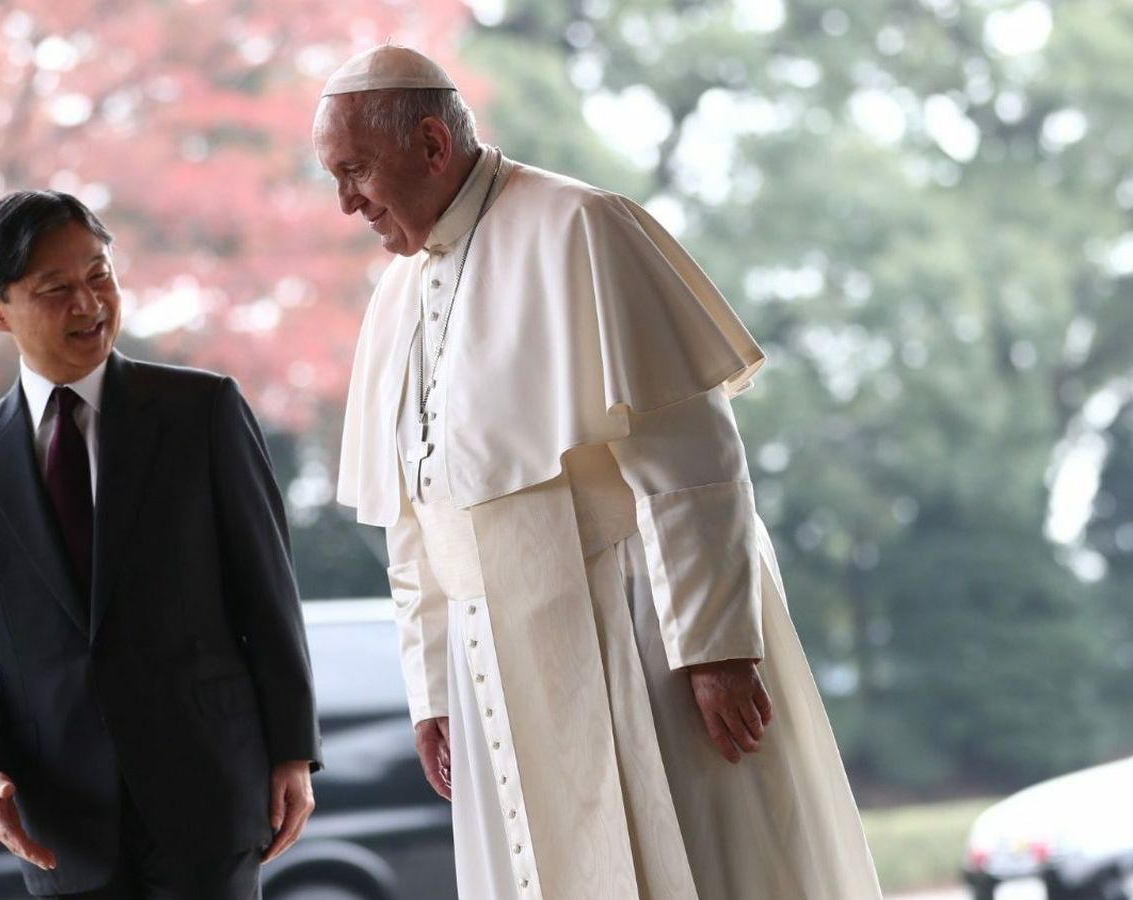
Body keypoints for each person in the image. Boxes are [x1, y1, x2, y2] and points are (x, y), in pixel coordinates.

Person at [313, 45, 883, 899]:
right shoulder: (397, 292)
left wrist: (717, 647)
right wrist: (431, 688)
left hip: (631, 629)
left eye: (355, 171)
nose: (346, 202)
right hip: (487, 663)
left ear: (432, 144)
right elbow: (413, 514)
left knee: (684, 864)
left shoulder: (582, 225)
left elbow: (692, 453)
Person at [0, 190, 320, 899]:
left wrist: (293, 753)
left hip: (209, 796)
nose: (88, 303)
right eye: (55, 289)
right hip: (60, 821)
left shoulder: (203, 412)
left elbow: (267, 596)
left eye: (99, 276)